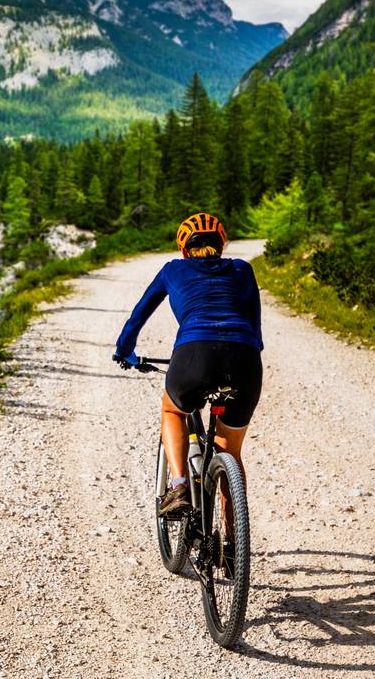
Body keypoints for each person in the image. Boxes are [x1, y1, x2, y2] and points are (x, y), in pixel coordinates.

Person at [112, 212, 263, 519]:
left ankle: (179, 486)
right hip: (245, 360)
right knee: (229, 451)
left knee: (172, 409)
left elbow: (138, 316)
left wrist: (124, 351)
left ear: (184, 250)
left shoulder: (173, 270)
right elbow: (255, 328)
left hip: (195, 355)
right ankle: (234, 542)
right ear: (222, 244)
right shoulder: (243, 270)